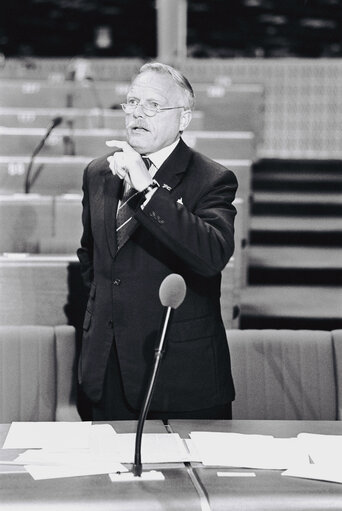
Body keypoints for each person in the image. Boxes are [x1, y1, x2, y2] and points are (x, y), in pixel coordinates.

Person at [77, 62, 238, 421]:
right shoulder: (98, 172)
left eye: (152, 105)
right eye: (132, 102)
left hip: (180, 375)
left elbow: (211, 255)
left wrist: (147, 191)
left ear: (183, 119)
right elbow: (92, 259)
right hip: (107, 371)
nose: (137, 113)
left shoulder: (212, 179)